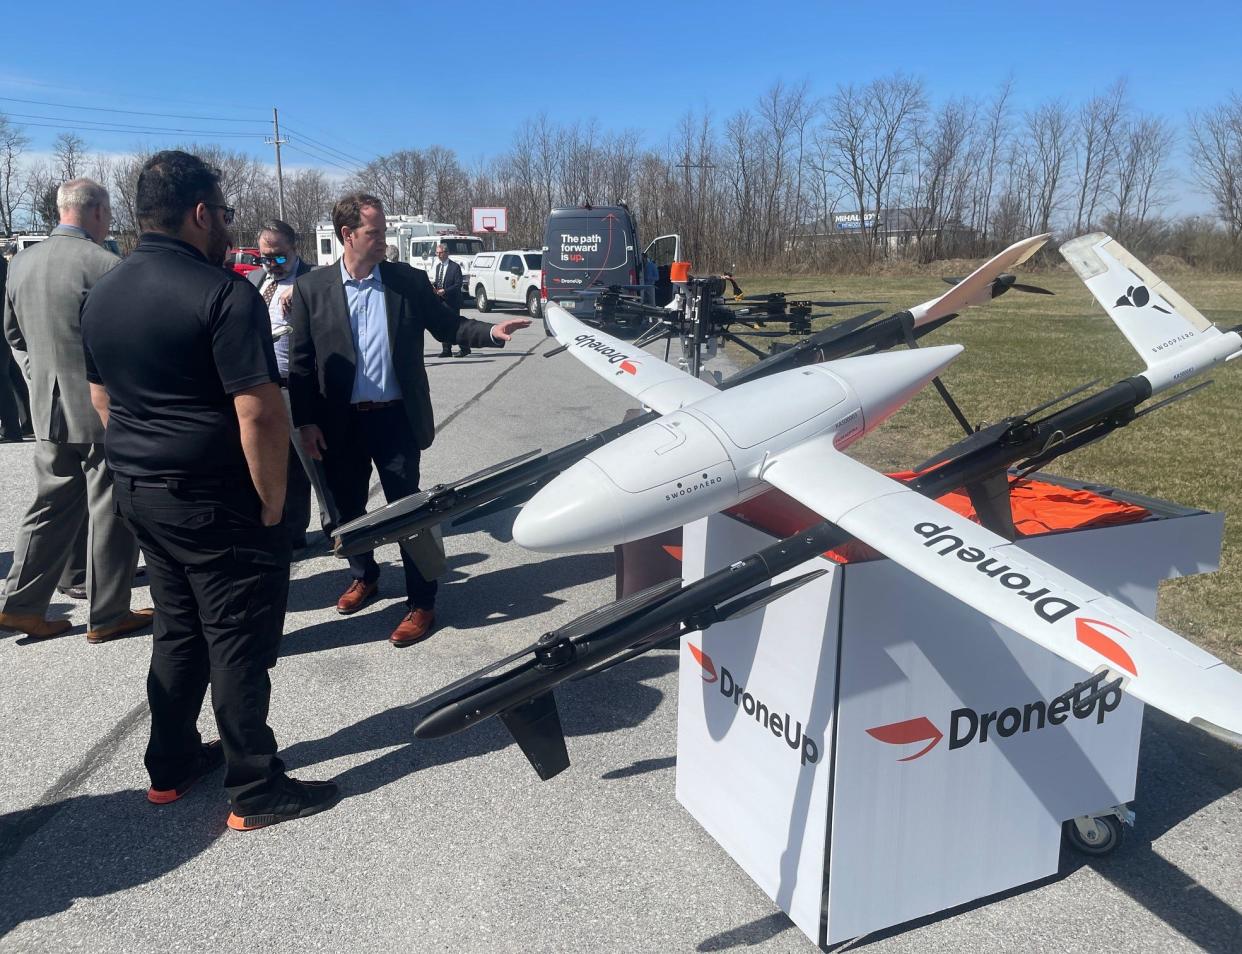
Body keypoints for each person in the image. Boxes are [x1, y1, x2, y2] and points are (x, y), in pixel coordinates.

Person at [81, 150, 337, 830]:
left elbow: (101, 396)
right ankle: (255, 788)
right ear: (199, 213)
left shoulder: (103, 291)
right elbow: (258, 411)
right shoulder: (224, 295)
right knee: (238, 639)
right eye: (223, 214)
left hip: (141, 489)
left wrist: (146, 451)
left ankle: (170, 766)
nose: (228, 226)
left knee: (178, 629)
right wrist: (274, 501)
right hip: (216, 498)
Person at [287, 193, 530, 646]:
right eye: (374, 233)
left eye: (382, 232)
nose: (383, 241)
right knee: (347, 513)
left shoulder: (406, 281)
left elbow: (448, 325)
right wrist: (305, 422)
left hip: (395, 420)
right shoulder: (312, 289)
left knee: (410, 515)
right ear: (348, 236)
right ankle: (365, 574)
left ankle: (422, 602)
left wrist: (491, 332)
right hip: (339, 424)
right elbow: (301, 365)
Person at [0, 179, 149, 643]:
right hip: (101, 408)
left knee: (48, 507)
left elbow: (14, 335)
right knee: (110, 508)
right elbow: (124, 341)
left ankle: (20, 605)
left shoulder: (20, 263)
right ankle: (107, 614)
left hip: (47, 407)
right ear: (99, 211)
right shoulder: (106, 265)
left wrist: (41, 376)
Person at [248, 219, 324, 550]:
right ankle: (294, 530)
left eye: (279, 257)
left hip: (301, 385)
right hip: (267, 386)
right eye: (265, 257)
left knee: (315, 463)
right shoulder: (254, 280)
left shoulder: (314, 279)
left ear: (294, 249)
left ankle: (336, 526)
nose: (271, 264)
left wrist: (305, 291)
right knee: (283, 463)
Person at [0, 254, 34, 442]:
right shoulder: (3, 263)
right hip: (3, 325)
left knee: (2, 378)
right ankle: (27, 421)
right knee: (12, 374)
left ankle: (11, 428)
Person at [432, 243, 467, 358]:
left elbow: (458, 284)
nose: (438, 255)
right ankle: (446, 350)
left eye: (440, 253)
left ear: (446, 253)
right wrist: (434, 287)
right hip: (441, 302)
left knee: (455, 325)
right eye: (437, 253)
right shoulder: (438, 267)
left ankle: (465, 348)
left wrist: (445, 291)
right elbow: (439, 282)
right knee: (443, 325)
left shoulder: (454, 267)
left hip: (452, 302)